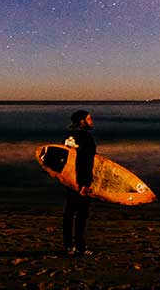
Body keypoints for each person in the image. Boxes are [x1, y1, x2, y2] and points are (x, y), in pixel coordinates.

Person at [63, 109, 96, 256]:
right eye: (89, 119)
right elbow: (86, 161)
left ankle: (68, 246)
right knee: (82, 214)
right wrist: (86, 183)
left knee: (69, 213)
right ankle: (80, 247)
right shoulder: (86, 137)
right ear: (82, 121)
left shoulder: (68, 137)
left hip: (68, 180)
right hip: (81, 180)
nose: (91, 121)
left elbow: (63, 159)